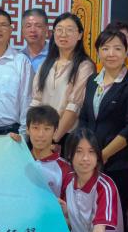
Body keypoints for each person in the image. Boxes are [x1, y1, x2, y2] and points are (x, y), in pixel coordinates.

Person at [79, 27, 128, 218]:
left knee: (114, 219)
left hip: (118, 165)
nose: (111, 53)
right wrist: (86, 152)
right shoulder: (92, 81)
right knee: (90, 216)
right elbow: (85, 118)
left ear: (126, 52)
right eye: (105, 48)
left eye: (117, 48)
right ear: (98, 52)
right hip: (89, 162)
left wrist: (102, 155)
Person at [31, 12, 96, 145]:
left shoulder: (84, 66)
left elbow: (74, 107)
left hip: (66, 135)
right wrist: (32, 132)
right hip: (41, 135)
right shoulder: (46, 64)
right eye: (59, 30)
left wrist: (54, 138)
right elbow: (36, 101)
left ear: (79, 35)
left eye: (69, 30)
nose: (63, 34)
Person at [25, 105, 71, 198]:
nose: (40, 134)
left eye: (47, 129)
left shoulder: (66, 169)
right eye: (35, 128)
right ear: (27, 129)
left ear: (55, 132)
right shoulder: (18, 159)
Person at [20, 8, 50, 73]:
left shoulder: (56, 55)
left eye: (38, 26)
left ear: (46, 29)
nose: (32, 30)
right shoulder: (18, 57)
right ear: (22, 31)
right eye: (28, 26)